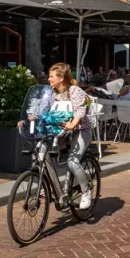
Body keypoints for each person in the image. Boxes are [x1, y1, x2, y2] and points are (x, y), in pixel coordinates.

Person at [47, 62, 93, 210]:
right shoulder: (52, 93)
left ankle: (86, 191)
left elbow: (80, 109)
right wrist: (28, 118)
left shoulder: (74, 90)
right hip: (61, 131)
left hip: (81, 130)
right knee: (44, 155)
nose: (48, 79)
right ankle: (51, 186)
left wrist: (74, 123)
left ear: (61, 78)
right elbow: (43, 109)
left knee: (72, 162)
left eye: (51, 76)